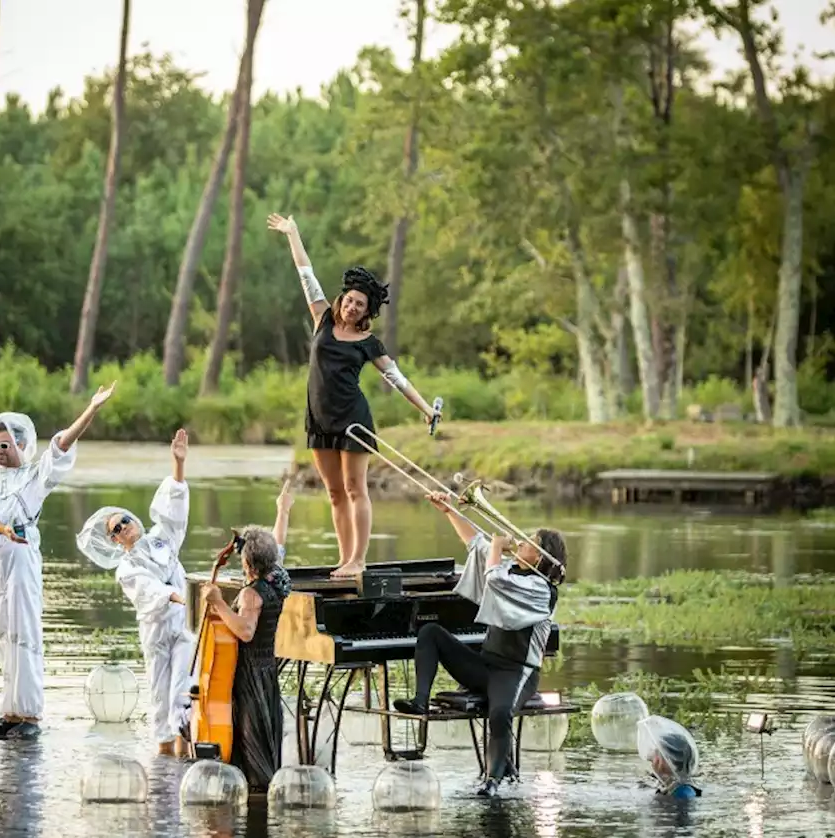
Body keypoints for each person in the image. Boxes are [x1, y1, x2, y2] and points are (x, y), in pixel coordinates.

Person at [266, 212, 439, 579]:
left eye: (360, 304)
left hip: (353, 420)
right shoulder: (322, 319)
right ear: (342, 300)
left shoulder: (368, 342)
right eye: (350, 300)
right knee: (333, 493)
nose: (352, 306)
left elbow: (397, 378)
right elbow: (306, 274)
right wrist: (292, 232)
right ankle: (345, 559)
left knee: (355, 488)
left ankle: (358, 560)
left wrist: (425, 409)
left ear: (366, 311)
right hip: (319, 418)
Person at [392, 491, 567, 797]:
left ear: (539, 557)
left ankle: (493, 781)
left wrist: (498, 549)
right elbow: (476, 544)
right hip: (487, 664)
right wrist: (449, 510)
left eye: (528, 542)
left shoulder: (542, 589)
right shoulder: (512, 570)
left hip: (517, 672)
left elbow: (494, 578)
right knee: (431, 632)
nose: (521, 543)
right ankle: (420, 701)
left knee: (500, 714)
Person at [0, 382, 116, 739]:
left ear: (20, 444)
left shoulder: (35, 475)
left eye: (5, 445)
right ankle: (9, 708)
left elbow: (62, 444)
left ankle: (29, 712)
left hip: (22, 555)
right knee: (2, 629)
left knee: (25, 629)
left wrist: (91, 409)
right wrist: (1, 529)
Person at [75, 429, 193, 756]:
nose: (124, 527)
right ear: (114, 540)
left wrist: (178, 464)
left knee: (183, 691)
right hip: (157, 629)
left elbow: (175, 515)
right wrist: (176, 596)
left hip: (183, 624)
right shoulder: (124, 568)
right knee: (159, 692)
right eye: (116, 529)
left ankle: (186, 752)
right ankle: (165, 755)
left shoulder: (159, 539)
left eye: (124, 520)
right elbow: (148, 590)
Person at [198, 482, 295, 791]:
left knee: (252, 749)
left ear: (250, 564)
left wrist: (218, 603)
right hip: (267, 672)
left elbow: (245, 631)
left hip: (251, 675)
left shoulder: (253, 594)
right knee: (265, 743)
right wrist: (283, 511)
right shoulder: (278, 578)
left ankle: (256, 806)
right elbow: (278, 544)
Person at [638, 715, 702, 799]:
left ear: (668, 761)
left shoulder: (683, 793)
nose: (652, 759)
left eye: (657, 753)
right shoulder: (668, 786)